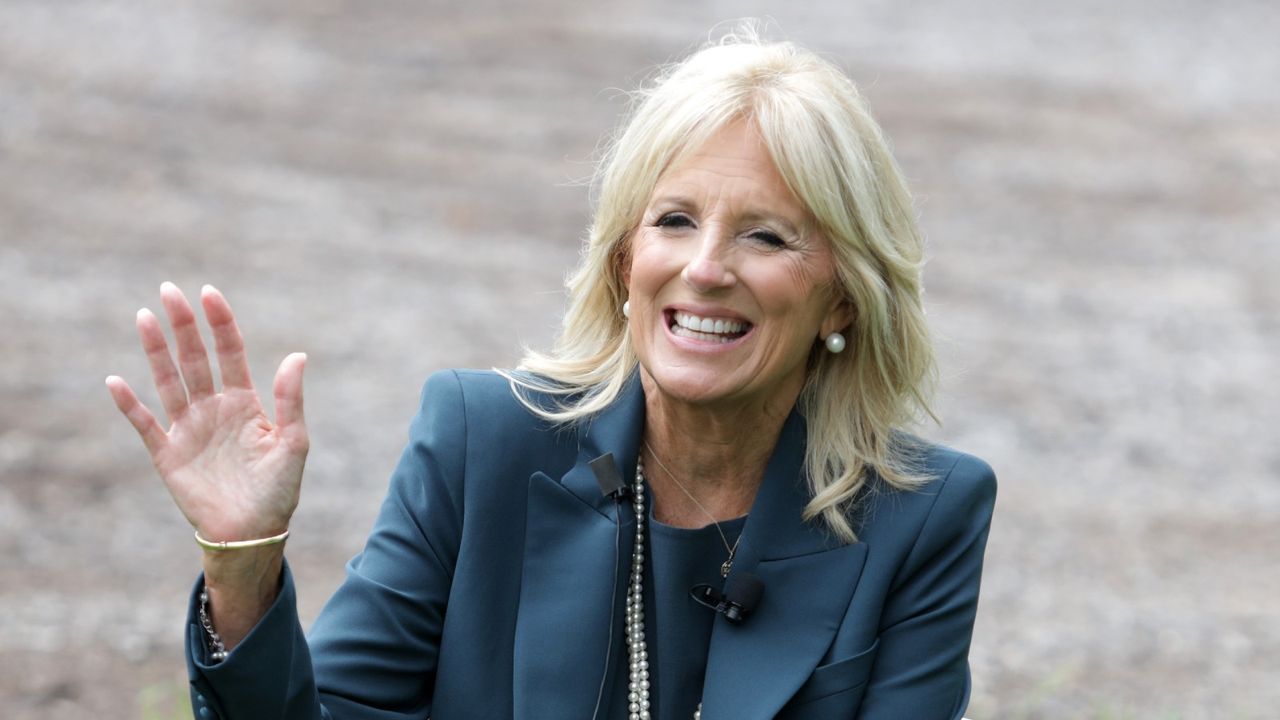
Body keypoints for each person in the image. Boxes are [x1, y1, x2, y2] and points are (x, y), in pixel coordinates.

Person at [106, 28, 995, 720]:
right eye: (675, 220)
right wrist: (243, 568)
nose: (707, 268)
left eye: (765, 235)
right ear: (623, 261)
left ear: (844, 299)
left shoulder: (922, 517)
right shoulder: (481, 441)